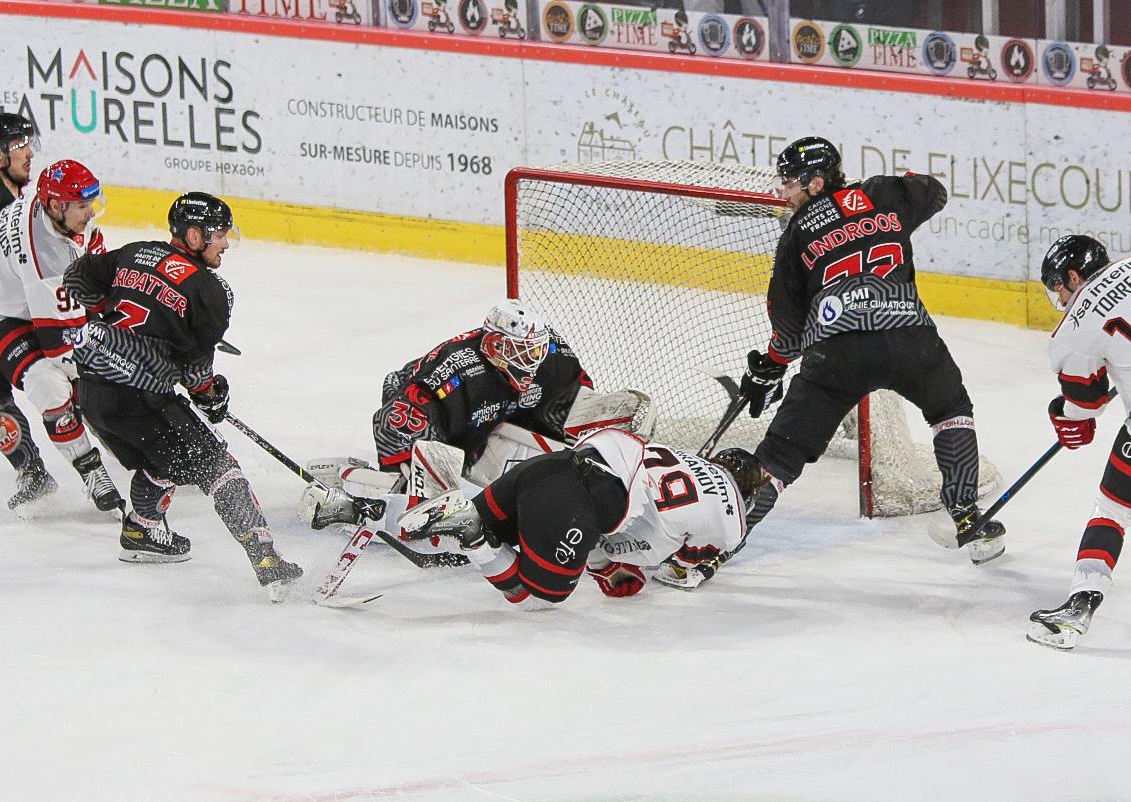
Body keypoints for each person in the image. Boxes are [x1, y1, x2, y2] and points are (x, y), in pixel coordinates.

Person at [738, 136, 1005, 563]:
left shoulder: (797, 232)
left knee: (782, 453)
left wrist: (769, 367)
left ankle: (720, 540)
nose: (782, 193)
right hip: (910, 337)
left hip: (837, 353)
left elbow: (787, 330)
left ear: (816, 183)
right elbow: (934, 191)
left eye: (789, 183)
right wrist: (891, 189)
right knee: (950, 406)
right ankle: (965, 513)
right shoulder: (882, 192)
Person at [62, 191, 302, 599]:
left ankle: (141, 530)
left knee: (167, 458)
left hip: (90, 391)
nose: (225, 243)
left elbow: (76, 278)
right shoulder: (210, 290)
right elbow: (195, 373)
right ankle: (267, 560)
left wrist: (115, 319)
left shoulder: (135, 252)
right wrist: (211, 396)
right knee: (218, 467)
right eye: (219, 234)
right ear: (193, 235)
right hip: (140, 397)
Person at [305, 299, 656, 543]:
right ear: (493, 345)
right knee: (428, 503)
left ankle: (628, 478)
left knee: (628, 408)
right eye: (520, 351)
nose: (530, 360)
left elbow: (578, 399)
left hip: (495, 420)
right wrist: (418, 475)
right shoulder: (457, 369)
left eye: (534, 350)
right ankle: (349, 493)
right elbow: (398, 417)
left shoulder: (549, 352)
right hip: (432, 422)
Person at [396, 427, 777, 608]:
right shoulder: (732, 523)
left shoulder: (682, 456)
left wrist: (603, 566)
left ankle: (354, 504)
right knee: (539, 593)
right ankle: (474, 533)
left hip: (548, 467)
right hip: (577, 500)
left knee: (439, 549)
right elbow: (679, 571)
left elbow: (609, 527)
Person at [1027, 237, 1131, 649]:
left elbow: (1086, 404)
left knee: (1112, 512)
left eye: (1059, 286)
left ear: (1074, 276)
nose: (1060, 297)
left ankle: (1077, 612)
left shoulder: (1073, 329)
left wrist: (1064, 418)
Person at [0, 159, 124, 516]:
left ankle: (124, 439)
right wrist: (125, 364)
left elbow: (98, 279)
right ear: (56, 206)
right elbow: (61, 348)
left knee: (93, 367)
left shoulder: (52, 209)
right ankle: (89, 470)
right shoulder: (45, 259)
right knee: (48, 381)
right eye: (82, 205)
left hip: (24, 296)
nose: (90, 212)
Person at [0, 111, 52, 509]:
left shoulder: (7, 193)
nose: (29, 153)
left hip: (16, 309)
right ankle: (31, 471)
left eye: (29, 143)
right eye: (19, 146)